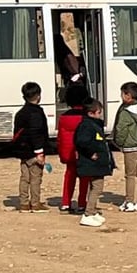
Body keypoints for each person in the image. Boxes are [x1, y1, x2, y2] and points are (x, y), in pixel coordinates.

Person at [112, 81, 137, 212]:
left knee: (130, 175)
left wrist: (119, 142)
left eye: (122, 94)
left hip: (130, 148)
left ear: (128, 95)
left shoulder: (125, 112)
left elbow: (121, 130)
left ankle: (129, 201)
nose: (121, 96)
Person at [74, 98, 115, 227]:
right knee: (97, 188)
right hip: (92, 164)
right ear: (91, 113)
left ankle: (93, 211)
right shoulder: (86, 126)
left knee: (94, 186)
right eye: (98, 112)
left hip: (98, 165)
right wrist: (91, 153)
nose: (100, 115)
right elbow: (81, 142)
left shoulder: (94, 124)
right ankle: (88, 213)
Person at [12, 81, 49, 213]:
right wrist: (39, 152)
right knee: (36, 178)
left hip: (23, 152)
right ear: (38, 96)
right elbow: (36, 133)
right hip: (34, 152)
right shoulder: (36, 113)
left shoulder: (20, 113)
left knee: (24, 178)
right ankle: (35, 203)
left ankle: (23, 203)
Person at [56, 83, 91, 213]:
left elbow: (60, 137)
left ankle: (66, 202)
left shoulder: (63, 117)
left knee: (69, 176)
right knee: (84, 178)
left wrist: (60, 152)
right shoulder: (86, 117)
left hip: (68, 153)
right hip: (83, 153)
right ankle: (82, 203)